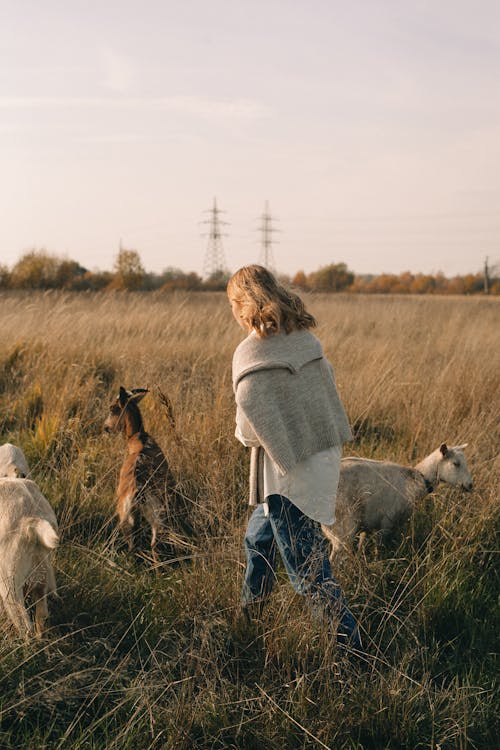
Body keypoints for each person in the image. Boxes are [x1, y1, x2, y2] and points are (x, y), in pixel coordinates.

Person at [228, 264, 362, 649]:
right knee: (259, 539)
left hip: (287, 476)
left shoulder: (250, 351)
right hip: (319, 457)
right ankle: (251, 619)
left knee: (308, 575)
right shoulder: (303, 338)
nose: (233, 314)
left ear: (243, 304)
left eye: (233, 305)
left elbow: (248, 427)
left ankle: (354, 654)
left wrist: (257, 430)